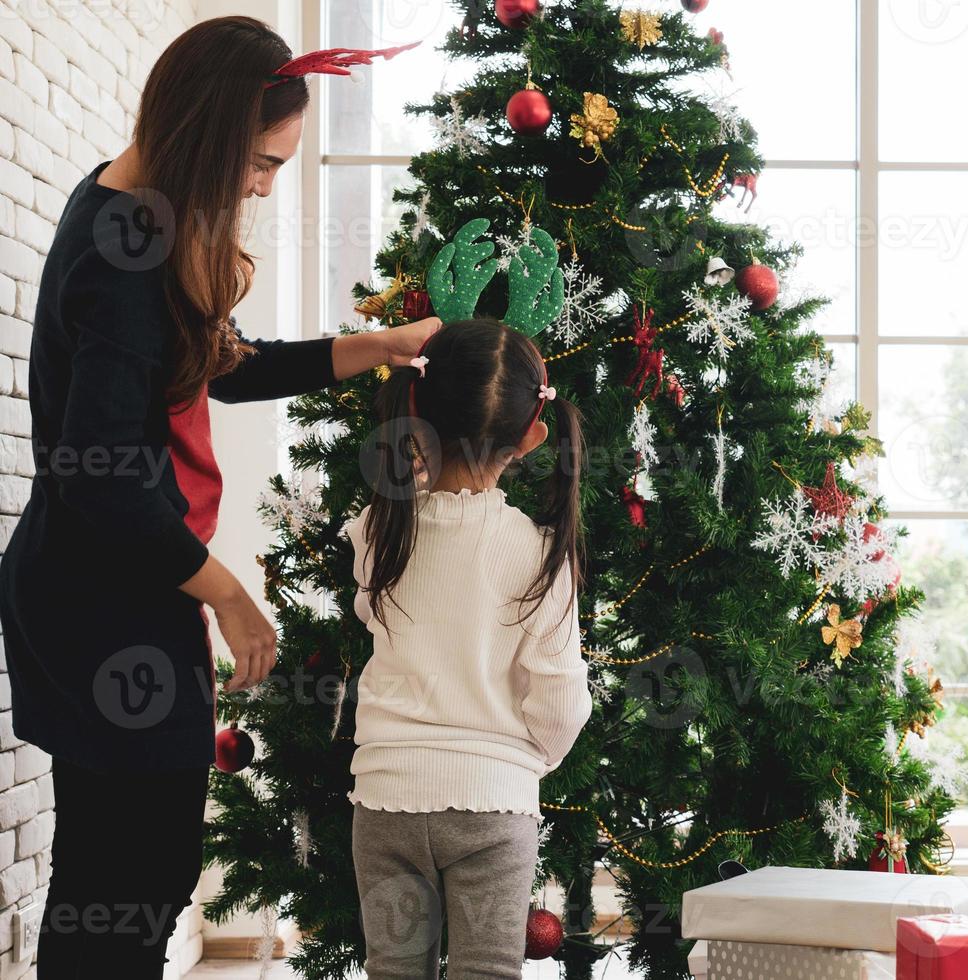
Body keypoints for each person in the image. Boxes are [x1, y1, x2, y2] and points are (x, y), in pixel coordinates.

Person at [0, 17, 432, 978]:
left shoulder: (141, 215)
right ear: (205, 131)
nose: (264, 184)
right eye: (261, 161)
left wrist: (366, 349)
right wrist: (228, 594)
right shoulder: (125, 258)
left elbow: (220, 365)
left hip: (116, 588)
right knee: (128, 881)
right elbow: (95, 475)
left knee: (129, 876)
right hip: (98, 599)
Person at [345, 319, 593, 980]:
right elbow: (563, 700)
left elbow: (374, 614)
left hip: (386, 793)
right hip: (494, 800)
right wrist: (528, 763)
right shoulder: (540, 552)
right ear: (532, 436)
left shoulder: (376, 527)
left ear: (416, 413)